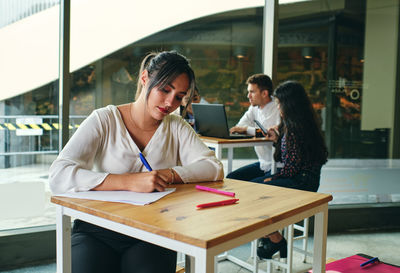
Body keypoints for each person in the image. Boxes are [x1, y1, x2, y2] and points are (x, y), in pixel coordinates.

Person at [49, 50, 224, 273]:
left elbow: (213, 167)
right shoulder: (104, 119)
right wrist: (129, 181)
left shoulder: (177, 126)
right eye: (165, 89)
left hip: (155, 231)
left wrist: (167, 174)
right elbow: (58, 175)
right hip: (97, 229)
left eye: (179, 96)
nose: (171, 102)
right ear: (144, 79)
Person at [256, 80, 328, 260]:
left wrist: (272, 178)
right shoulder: (304, 124)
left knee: (254, 192)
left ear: (289, 104)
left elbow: (290, 168)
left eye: (279, 103)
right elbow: (292, 161)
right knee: (256, 187)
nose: (278, 107)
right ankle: (271, 236)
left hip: (301, 182)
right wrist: (279, 139)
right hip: (308, 180)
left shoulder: (294, 130)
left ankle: (275, 238)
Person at [226, 73, 281, 182]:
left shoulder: (278, 108)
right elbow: (239, 126)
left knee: (252, 185)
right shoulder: (254, 108)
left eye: (252, 92)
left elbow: (272, 134)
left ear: (264, 93)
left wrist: (247, 130)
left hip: (277, 165)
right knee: (231, 178)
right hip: (263, 163)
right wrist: (246, 130)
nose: (248, 96)